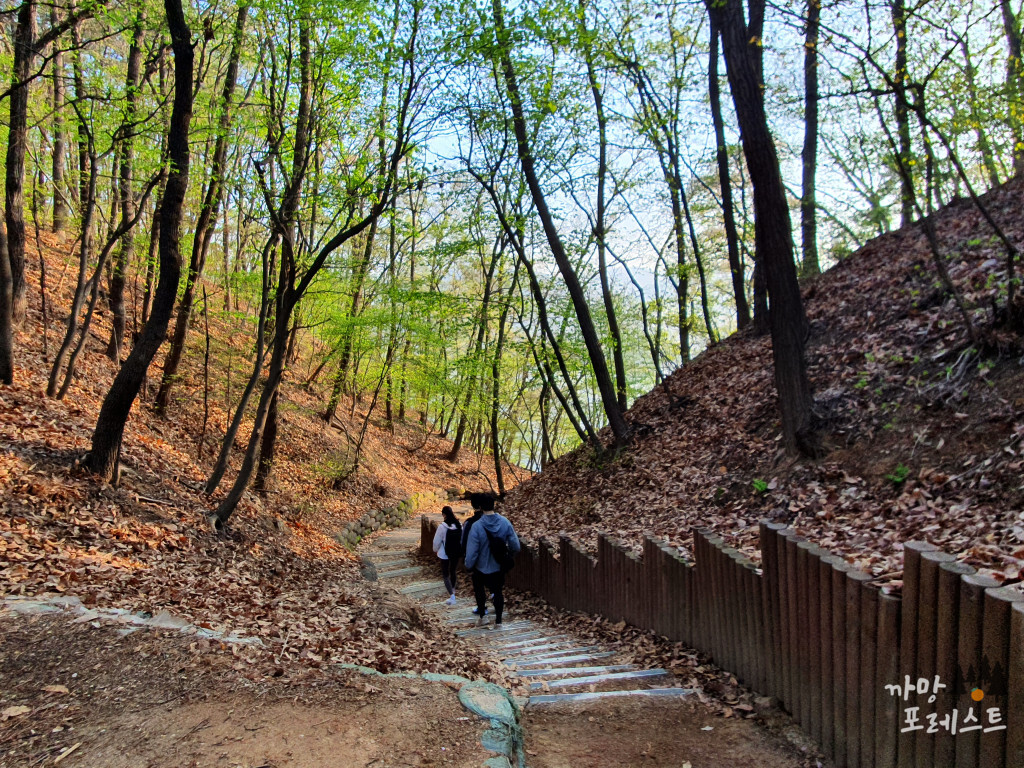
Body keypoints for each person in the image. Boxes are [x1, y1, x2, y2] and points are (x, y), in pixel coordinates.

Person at [463, 494, 520, 627]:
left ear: (481, 507)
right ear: (494, 505)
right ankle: (499, 621)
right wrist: (508, 555)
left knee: (479, 590)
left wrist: (468, 565)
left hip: (481, 567)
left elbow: (472, 551)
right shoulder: (505, 522)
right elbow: (515, 545)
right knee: (498, 591)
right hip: (498, 566)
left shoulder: (476, 527)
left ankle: (483, 617)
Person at [461, 495, 487, 616]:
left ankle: (482, 608)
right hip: (493, 557)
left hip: (477, 559)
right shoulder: (497, 520)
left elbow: (464, 542)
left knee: (479, 584)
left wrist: (466, 558)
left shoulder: (470, 523)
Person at [432, 506, 462, 605]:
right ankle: (453, 590)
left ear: (444, 514)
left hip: (444, 553)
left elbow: (436, 541)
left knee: (445, 574)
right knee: (453, 571)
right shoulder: (459, 524)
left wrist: (435, 550)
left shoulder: (442, 526)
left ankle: (452, 596)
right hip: (456, 552)